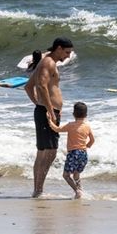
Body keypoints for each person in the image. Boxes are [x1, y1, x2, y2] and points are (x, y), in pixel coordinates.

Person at [24, 37, 74, 198]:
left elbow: (28, 87)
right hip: (48, 113)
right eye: (66, 52)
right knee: (50, 152)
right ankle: (38, 190)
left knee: (43, 152)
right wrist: (50, 110)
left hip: (44, 111)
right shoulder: (48, 63)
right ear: (58, 48)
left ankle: (37, 190)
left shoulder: (45, 62)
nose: (67, 56)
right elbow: (41, 86)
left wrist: (39, 105)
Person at [47, 102, 95, 199]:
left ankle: (77, 191)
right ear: (86, 115)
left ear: (73, 114)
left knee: (66, 175)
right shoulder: (87, 127)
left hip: (73, 153)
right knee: (76, 175)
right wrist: (87, 146)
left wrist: (49, 121)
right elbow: (92, 140)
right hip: (83, 154)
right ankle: (80, 190)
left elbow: (57, 129)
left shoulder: (70, 125)